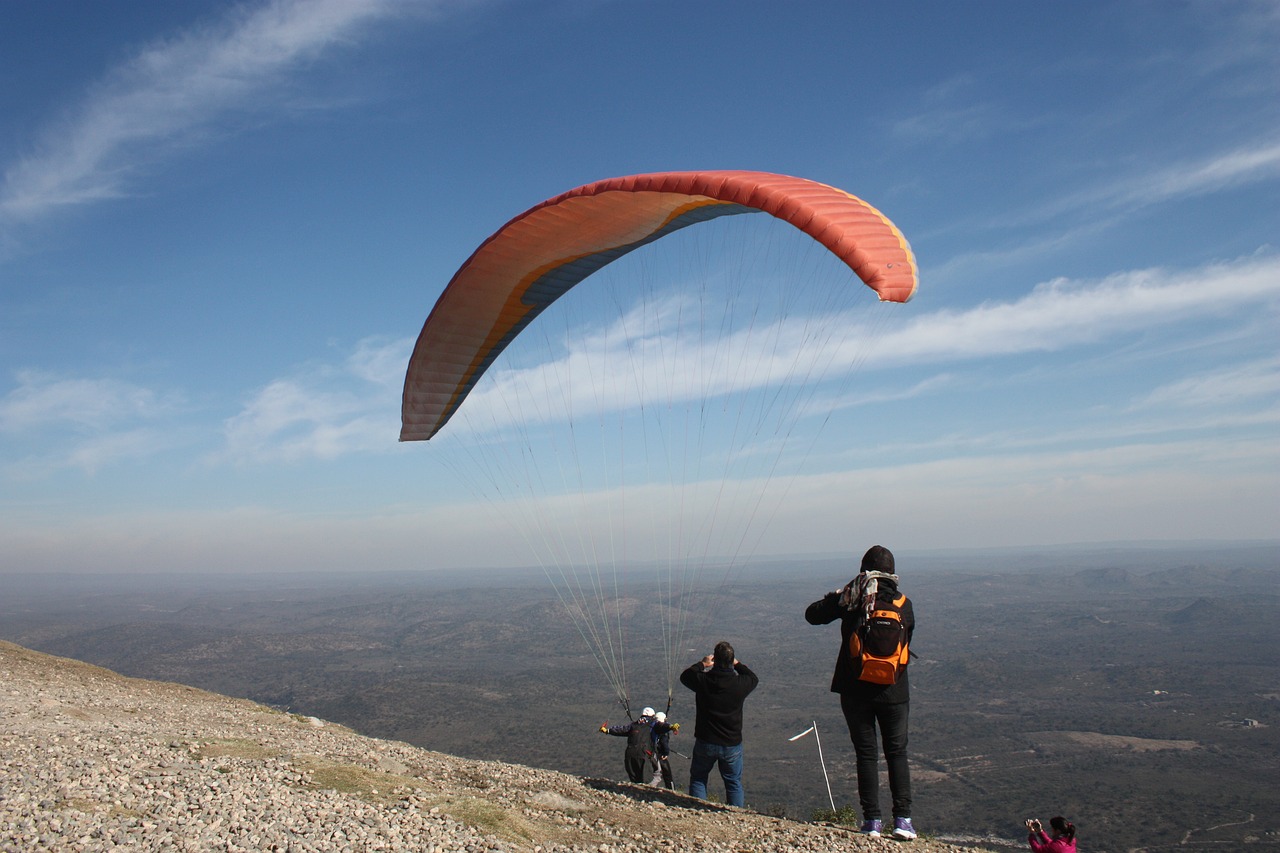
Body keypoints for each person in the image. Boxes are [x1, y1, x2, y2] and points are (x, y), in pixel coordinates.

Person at [805, 545, 917, 840]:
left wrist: (838, 596)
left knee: (866, 755)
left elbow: (812, 615)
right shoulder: (904, 603)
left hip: (855, 689)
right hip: (894, 691)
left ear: (864, 571)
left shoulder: (852, 599)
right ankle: (903, 820)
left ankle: (872, 822)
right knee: (897, 753)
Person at [679, 640, 759, 807]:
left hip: (705, 740)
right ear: (731, 661)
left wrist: (703, 664)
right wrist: (736, 663)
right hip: (731, 743)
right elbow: (753, 678)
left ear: (714, 659)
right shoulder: (740, 684)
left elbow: (685, 676)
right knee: (733, 783)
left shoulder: (703, 681)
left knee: (699, 778)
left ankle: (698, 812)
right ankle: (735, 816)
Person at [600, 707, 657, 784]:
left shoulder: (634, 725)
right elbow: (663, 727)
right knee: (646, 777)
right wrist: (671, 727)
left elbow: (622, 729)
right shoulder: (653, 725)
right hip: (644, 753)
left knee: (634, 776)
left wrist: (608, 730)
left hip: (630, 753)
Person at [648, 711, 680, 788]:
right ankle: (671, 790)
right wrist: (666, 753)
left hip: (652, 753)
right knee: (667, 774)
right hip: (660, 755)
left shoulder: (651, 727)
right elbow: (664, 742)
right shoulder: (662, 732)